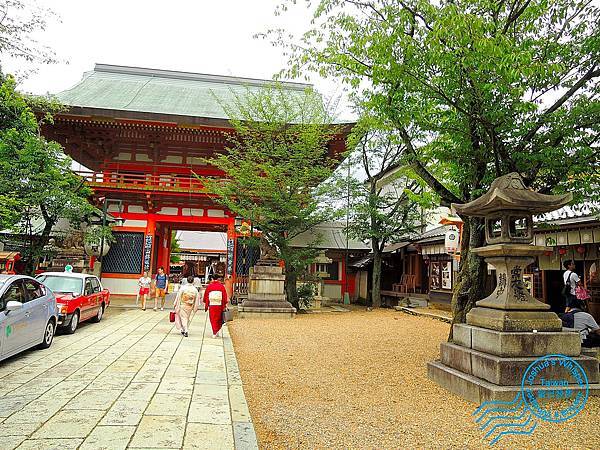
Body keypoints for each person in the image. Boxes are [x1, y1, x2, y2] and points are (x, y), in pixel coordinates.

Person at [203, 274, 228, 338]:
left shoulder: (209, 286)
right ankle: (216, 331)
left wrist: (206, 302)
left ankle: (214, 332)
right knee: (218, 318)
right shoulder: (221, 286)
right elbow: (224, 296)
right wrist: (225, 304)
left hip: (212, 305)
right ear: (218, 279)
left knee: (213, 318)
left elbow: (206, 295)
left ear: (212, 279)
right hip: (219, 304)